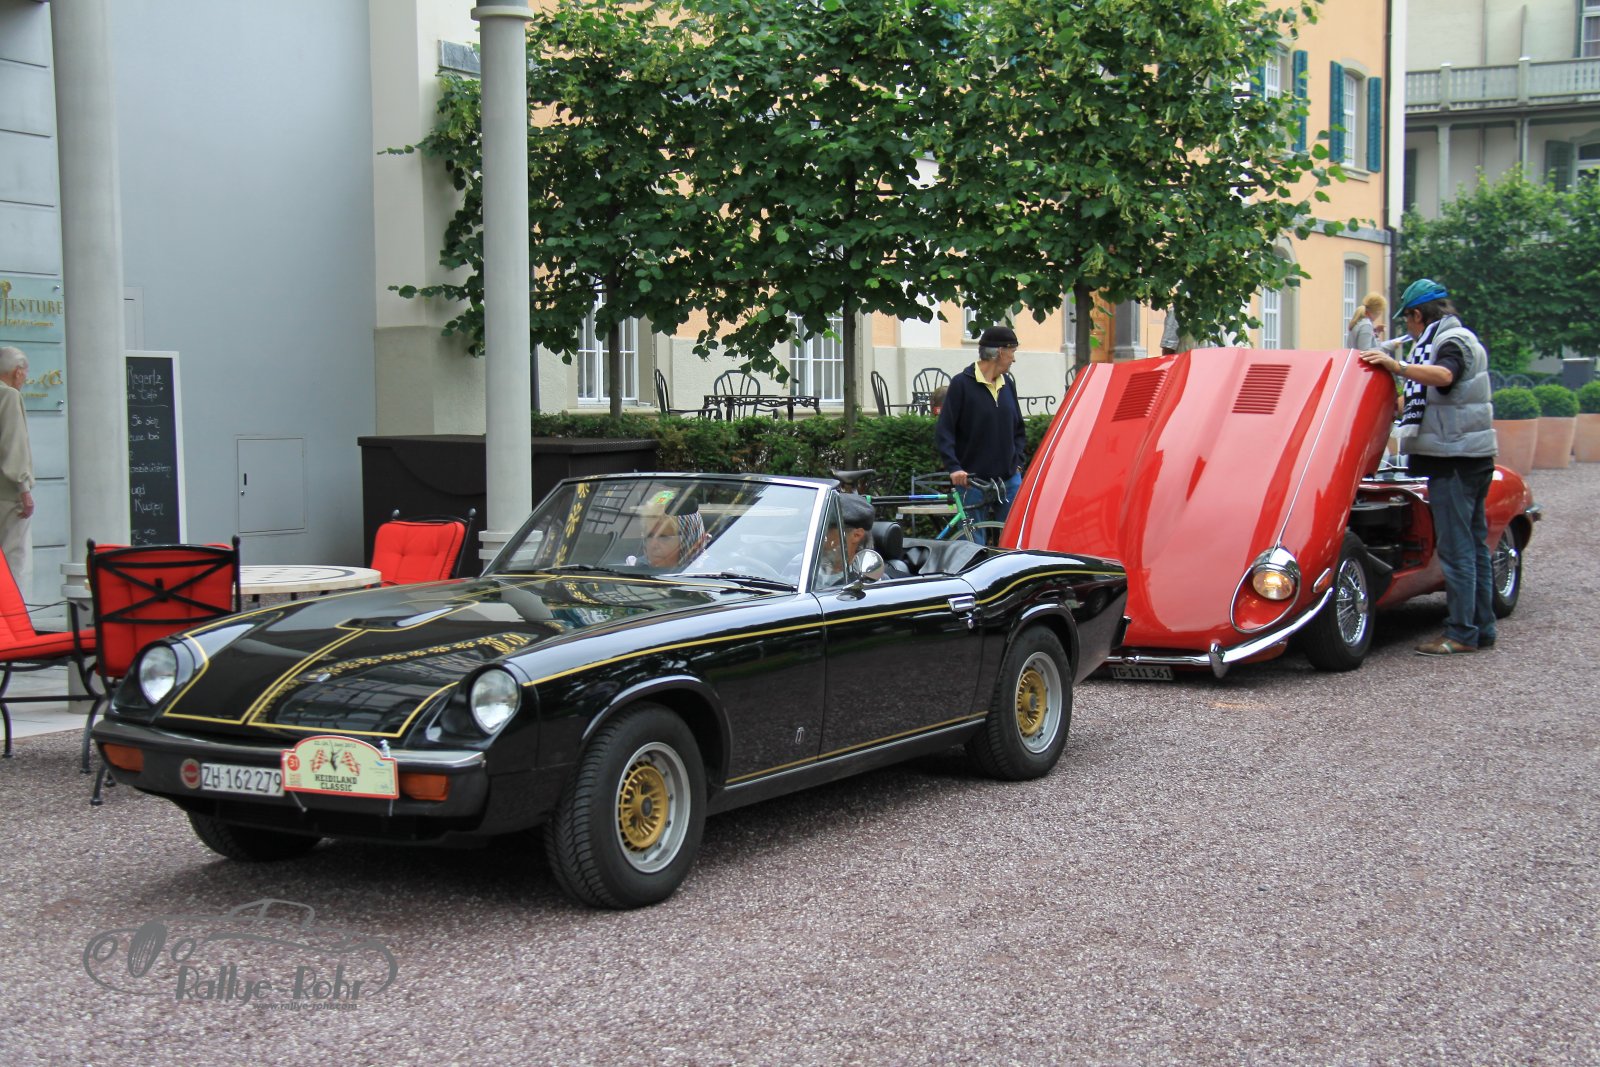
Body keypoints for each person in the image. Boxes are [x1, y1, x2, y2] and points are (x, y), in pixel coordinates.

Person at [1359, 279, 1497, 656]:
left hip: (1453, 460)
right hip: (1472, 456)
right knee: (1474, 546)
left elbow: (1445, 376)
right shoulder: (1460, 337)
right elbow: (1438, 395)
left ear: (1418, 315)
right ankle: (1482, 628)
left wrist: (1397, 366)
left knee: (1456, 549)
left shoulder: (1449, 342)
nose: (1409, 328)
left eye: (1409, 320)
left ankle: (1461, 632)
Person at [934, 325, 1026, 531]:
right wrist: (954, 468)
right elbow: (944, 431)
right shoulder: (961, 384)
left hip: (1009, 482)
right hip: (972, 483)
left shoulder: (1008, 384)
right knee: (972, 546)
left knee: (1012, 541)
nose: (1014, 359)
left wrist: (1018, 464)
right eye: (1012, 351)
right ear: (1000, 352)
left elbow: (1019, 429)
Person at [0, 346, 35, 599]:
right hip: (8, 493)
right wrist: (24, 489)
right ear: (17, 372)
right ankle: (12, 617)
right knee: (13, 559)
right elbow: (13, 445)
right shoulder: (9, 396)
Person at [811, 493, 877, 586]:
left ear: (856, 535)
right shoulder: (802, 563)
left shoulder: (869, 581)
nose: (818, 537)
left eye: (826, 530)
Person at [630, 491, 708, 571]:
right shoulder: (632, 570)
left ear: (693, 541)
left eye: (664, 537)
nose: (653, 545)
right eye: (649, 536)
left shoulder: (711, 573)